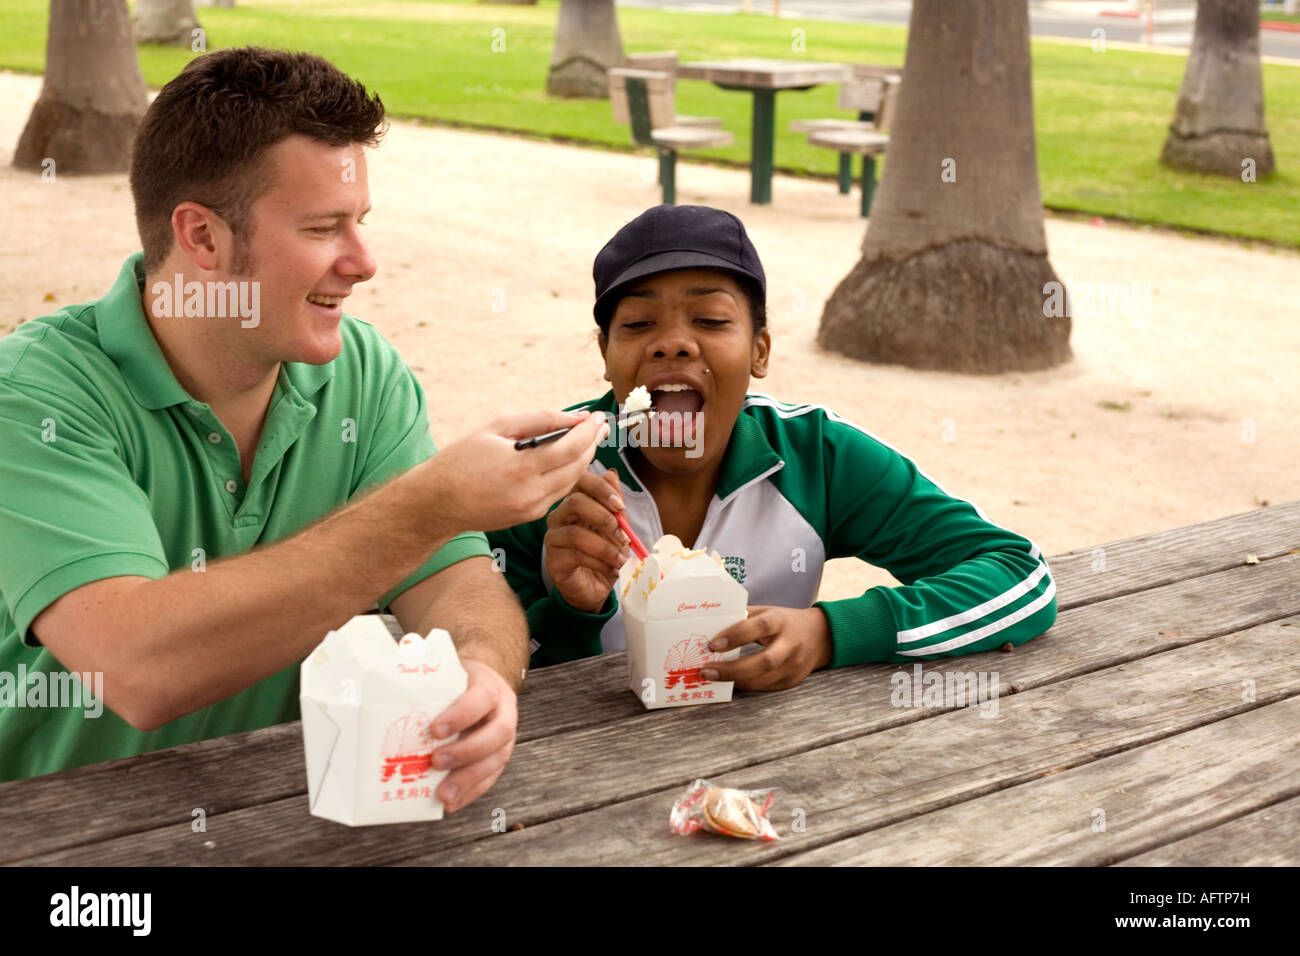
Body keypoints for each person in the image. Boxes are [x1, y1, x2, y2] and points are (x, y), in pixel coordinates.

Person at [0, 48, 607, 806]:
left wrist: (481, 670)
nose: (364, 262)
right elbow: (134, 668)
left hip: (284, 818)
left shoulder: (364, 371)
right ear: (203, 239)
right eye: (325, 228)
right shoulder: (34, 395)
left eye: (361, 224)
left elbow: (456, 582)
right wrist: (431, 503)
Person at [488, 204, 1058, 689]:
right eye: (637, 325)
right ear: (606, 354)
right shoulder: (543, 471)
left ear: (760, 351)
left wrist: (829, 634)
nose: (673, 344)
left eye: (710, 319)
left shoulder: (817, 456)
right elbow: (456, 656)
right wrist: (570, 612)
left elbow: (1021, 577)